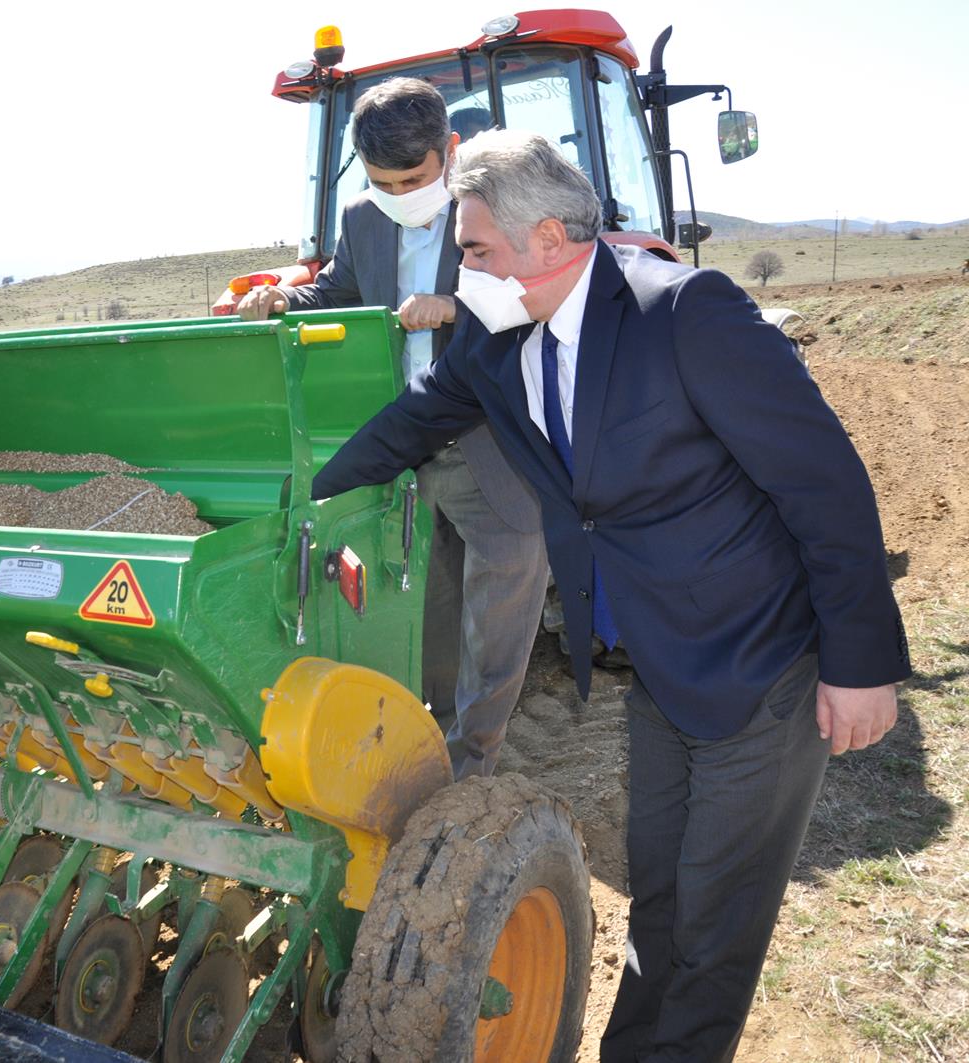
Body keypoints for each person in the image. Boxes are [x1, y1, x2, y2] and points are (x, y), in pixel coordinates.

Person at [312, 129, 909, 1062]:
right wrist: (294, 499)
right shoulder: (496, 340)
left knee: (715, 926)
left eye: (476, 250)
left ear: (549, 239)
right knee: (660, 898)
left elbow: (823, 481)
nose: (463, 272)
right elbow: (410, 423)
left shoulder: (684, 313)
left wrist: (862, 664)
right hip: (655, 666)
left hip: (760, 660)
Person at [236, 78, 548, 779]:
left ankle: (473, 764)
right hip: (403, 442)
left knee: (501, 600)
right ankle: (422, 737)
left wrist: (457, 307)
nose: (399, 194)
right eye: (382, 182)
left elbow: (544, 297)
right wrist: (283, 297)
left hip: (488, 437)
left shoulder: (504, 206)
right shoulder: (363, 218)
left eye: (413, 179)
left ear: (451, 151)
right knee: (422, 601)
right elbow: (338, 291)